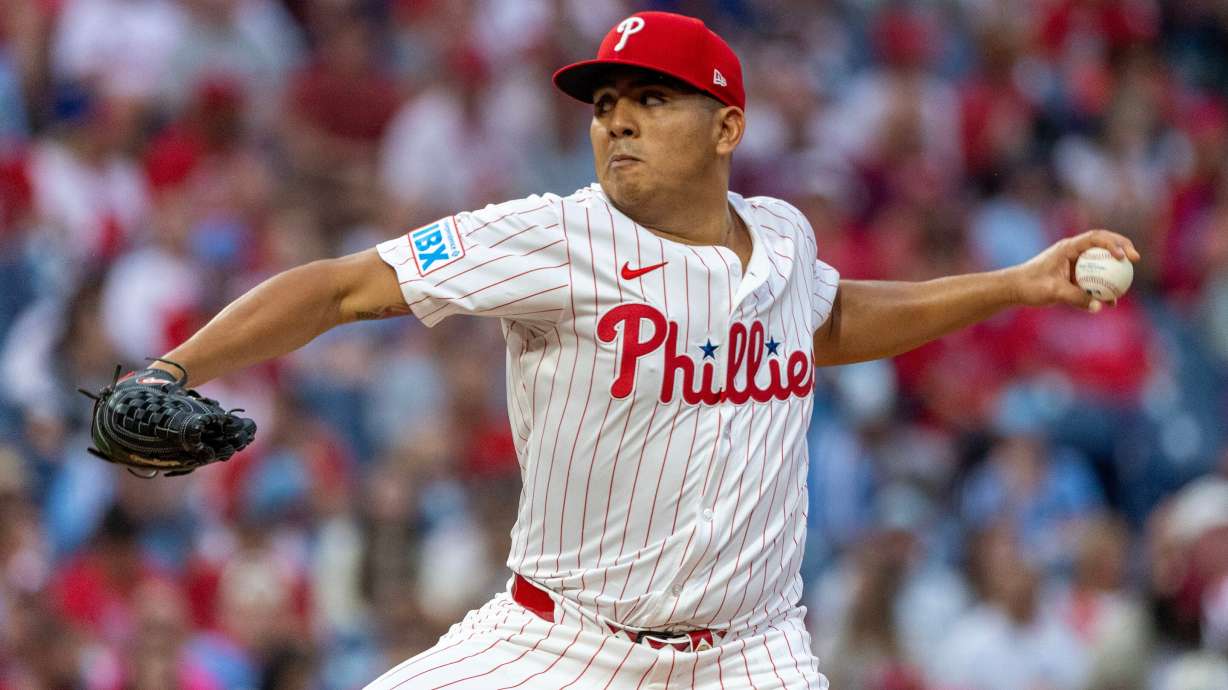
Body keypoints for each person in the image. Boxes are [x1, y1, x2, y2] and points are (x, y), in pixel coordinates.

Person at [129, 11, 1140, 689]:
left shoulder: (784, 240)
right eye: (605, 104)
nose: (615, 121)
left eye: (651, 100)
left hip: (751, 658)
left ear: (726, 126)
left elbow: (828, 324)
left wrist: (1014, 284)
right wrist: (170, 372)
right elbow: (340, 284)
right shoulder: (553, 235)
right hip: (557, 642)